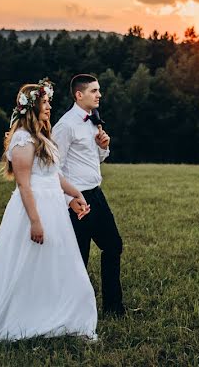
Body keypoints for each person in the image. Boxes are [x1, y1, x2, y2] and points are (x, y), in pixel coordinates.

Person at [0, 78, 98, 343]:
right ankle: (25, 320)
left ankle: (63, 317)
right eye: (45, 103)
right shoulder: (23, 140)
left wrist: (74, 195)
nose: (49, 107)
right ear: (32, 107)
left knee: (60, 268)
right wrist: (35, 222)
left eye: (48, 102)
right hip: (34, 210)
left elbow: (53, 176)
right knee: (27, 269)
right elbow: (25, 185)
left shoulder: (42, 137)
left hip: (54, 208)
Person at [52, 74, 125, 316]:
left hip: (96, 195)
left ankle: (114, 309)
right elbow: (53, 169)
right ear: (79, 95)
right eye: (94, 91)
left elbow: (96, 158)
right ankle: (73, 314)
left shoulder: (94, 120)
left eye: (99, 90)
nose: (99, 95)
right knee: (78, 259)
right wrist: (69, 200)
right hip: (77, 200)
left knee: (113, 245)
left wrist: (104, 146)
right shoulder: (65, 126)